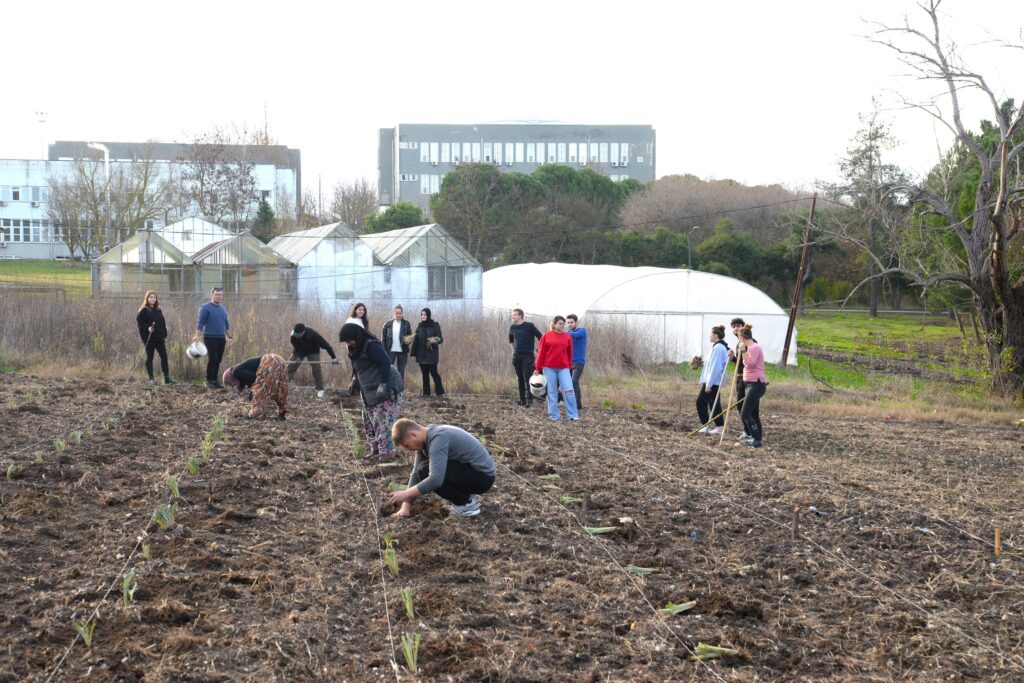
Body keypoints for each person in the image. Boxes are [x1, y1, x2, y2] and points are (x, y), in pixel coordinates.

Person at [388, 418, 496, 518]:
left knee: (425, 470)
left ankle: (467, 504)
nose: (408, 449)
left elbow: (435, 480)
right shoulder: (426, 438)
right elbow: (415, 474)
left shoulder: (437, 439)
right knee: (422, 469)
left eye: (407, 445)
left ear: (413, 435)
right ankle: (466, 498)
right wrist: (406, 506)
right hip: (472, 472)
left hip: (483, 477)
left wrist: (405, 493)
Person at [340, 322, 403, 459]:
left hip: (387, 386)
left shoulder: (371, 345)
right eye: (346, 342)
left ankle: (387, 452)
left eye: (350, 340)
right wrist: (354, 381)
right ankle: (376, 450)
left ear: (356, 336)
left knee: (383, 420)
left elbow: (386, 362)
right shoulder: (354, 350)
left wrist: (383, 384)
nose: (349, 344)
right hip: (368, 389)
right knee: (369, 421)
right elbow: (357, 368)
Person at [535, 316, 578, 421]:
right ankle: (554, 415)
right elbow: (541, 353)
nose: (562, 325)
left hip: (563, 368)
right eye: (559, 323)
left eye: (563, 323)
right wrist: (537, 368)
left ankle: (572, 415)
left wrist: (569, 368)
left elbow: (570, 354)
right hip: (549, 367)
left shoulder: (567, 337)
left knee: (569, 390)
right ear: (554, 324)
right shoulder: (546, 336)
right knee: (552, 391)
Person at [223, 354, 288, 420]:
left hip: (269, 362)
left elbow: (254, 379)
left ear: (231, 379)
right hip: (280, 360)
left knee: (260, 389)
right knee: (279, 388)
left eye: (232, 384)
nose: (234, 385)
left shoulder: (236, 372)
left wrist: (252, 391)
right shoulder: (240, 368)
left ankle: (255, 415)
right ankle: (282, 413)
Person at [287, 323, 339, 399]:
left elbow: (326, 346)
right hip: (299, 351)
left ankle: (320, 389)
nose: (296, 336)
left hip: (313, 351)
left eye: (298, 335)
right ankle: (283, 385)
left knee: (316, 369)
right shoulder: (293, 336)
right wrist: (298, 357)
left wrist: (333, 357)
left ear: (303, 332)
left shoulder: (314, 335)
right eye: (295, 334)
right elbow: (297, 348)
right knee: (291, 366)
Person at [194, 287, 232, 389]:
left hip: (221, 338)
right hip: (210, 337)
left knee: (218, 359)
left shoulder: (223, 308)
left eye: (220, 295)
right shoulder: (205, 307)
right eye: (216, 294)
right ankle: (210, 381)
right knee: (213, 358)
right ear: (212, 295)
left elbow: (226, 323)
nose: (219, 296)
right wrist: (197, 335)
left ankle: (215, 381)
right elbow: (201, 322)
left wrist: (230, 337)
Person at [135, 290, 175, 385]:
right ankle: (151, 378)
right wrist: (148, 328)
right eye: (150, 297)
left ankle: (166, 378)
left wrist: (164, 334)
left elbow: (162, 322)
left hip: (159, 338)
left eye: (154, 297)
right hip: (149, 338)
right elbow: (140, 324)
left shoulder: (158, 310)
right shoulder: (144, 310)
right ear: (147, 298)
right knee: (150, 357)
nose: (153, 299)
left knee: (164, 356)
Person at [696, 325, 729, 435]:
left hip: (713, 382)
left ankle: (707, 426)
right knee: (713, 403)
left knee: (701, 402)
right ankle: (719, 427)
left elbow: (716, 367)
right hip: (713, 381)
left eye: (710, 334)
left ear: (715, 335)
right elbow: (711, 364)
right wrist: (702, 363)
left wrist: (709, 384)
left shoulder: (719, 348)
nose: (709, 336)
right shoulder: (717, 347)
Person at [737, 324, 766, 448]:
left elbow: (749, 364)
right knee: (753, 413)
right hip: (751, 384)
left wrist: (743, 351)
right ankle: (757, 438)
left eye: (739, 338)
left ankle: (756, 438)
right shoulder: (752, 348)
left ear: (742, 338)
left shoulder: (753, 348)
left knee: (745, 413)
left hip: (755, 384)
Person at [727, 317, 755, 440]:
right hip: (740, 377)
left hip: (748, 379)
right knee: (741, 406)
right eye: (733, 326)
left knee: (745, 407)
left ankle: (751, 433)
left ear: (743, 327)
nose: (736, 328)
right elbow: (741, 364)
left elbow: (750, 362)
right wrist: (733, 358)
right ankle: (748, 431)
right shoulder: (739, 343)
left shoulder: (749, 342)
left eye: (738, 325)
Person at [508, 308, 543, 407]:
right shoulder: (512, 327)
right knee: (520, 378)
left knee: (527, 377)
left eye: (514, 314)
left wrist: (537, 351)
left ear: (520, 316)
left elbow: (541, 337)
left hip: (528, 355)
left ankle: (530, 400)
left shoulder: (529, 326)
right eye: (512, 314)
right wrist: (513, 350)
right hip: (517, 356)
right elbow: (510, 341)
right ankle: (522, 400)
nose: (512, 316)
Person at [411, 308, 445, 398]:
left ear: (428, 315)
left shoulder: (435, 326)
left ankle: (440, 393)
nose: (423, 316)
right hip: (421, 355)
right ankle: (426, 393)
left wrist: (433, 340)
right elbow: (415, 341)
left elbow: (440, 339)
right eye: (422, 314)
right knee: (425, 375)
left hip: (432, 355)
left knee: (434, 374)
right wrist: (413, 354)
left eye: (425, 315)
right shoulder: (419, 327)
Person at [381, 305, 413, 382]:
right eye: (396, 313)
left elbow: (410, 336)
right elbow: (383, 339)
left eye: (400, 313)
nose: (398, 315)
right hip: (390, 350)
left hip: (402, 350)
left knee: (401, 371)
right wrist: (384, 350)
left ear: (402, 313)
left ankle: (400, 390)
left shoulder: (406, 323)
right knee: (388, 369)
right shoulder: (387, 324)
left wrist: (408, 341)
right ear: (393, 313)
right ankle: (389, 388)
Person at [566, 314, 587, 412]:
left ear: (576, 322)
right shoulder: (567, 332)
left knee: (574, 381)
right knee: (574, 383)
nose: (569, 324)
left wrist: (561, 332)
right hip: (569, 361)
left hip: (579, 361)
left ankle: (576, 404)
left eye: (571, 322)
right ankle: (578, 405)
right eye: (568, 322)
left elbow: (573, 335)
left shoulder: (581, 331)